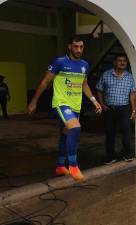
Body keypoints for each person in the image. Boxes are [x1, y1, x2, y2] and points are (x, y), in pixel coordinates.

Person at [27, 37, 102, 181]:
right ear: (69, 47)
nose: (78, 50)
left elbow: (84, 84)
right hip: (61, 103)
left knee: (66, 134)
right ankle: (73, 166)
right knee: (75, 128)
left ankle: (61, 166)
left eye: (81, 47)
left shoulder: (84, 65)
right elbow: (45, 81)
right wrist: (34, 101)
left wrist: (93, 100)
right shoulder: (59, 62)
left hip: (76, 105)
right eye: (75, 47)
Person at [96, 54, 136, 164]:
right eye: (120, 60)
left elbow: (132, 94)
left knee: (126, 132)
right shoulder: (106, 75)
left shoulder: (129, 77)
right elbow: (99, 89)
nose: (122, 63)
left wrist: (133, 110)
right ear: (114, 62)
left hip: (124, 109)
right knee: (110, 133)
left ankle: (127, 154)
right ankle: (111, 156)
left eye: (124, 61)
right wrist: (102, 104)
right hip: (109, 109)